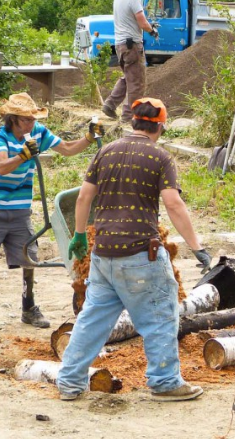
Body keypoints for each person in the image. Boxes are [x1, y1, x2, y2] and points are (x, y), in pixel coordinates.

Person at [57, 98, 209, 402]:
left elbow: (84, 197)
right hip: (141, 254)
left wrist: (79, 235)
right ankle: (165, 382)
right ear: (161, 126)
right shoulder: (160, 157)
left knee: (93, 318)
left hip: (103, 255)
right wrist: (197, 246)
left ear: (133, 122)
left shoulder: (106, 152)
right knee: (161, 314)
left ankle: (69, 382)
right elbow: (173, 204)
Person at [0, 93, 102, 331]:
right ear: (13, 119)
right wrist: (23, 155)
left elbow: (67, 149)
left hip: (19, 209)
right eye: (26, 119)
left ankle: (28, 308)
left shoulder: (38, 132)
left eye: (33, 118)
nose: (31, 123)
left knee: (29, 258)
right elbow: (2, 166)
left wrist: (89, 137)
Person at [102, 0, 159, 123]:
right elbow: (142, 22)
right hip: (132, 45)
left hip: (121, 45)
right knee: (137, 83)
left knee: (128, 77)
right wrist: (152, 31)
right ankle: (129, 117)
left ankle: (110, 104)